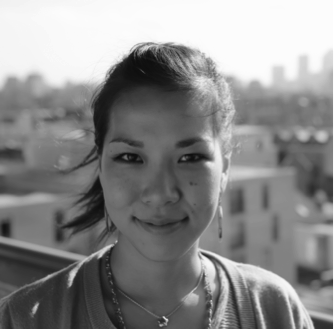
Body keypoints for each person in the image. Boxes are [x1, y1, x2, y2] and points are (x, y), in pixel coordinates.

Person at [0, 42, 314, 329]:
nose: (161, 193)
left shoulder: (274, 310)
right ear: (101, 166)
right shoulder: (26, 318)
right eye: (130, 157)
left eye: (190, 157)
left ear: (225, 170)